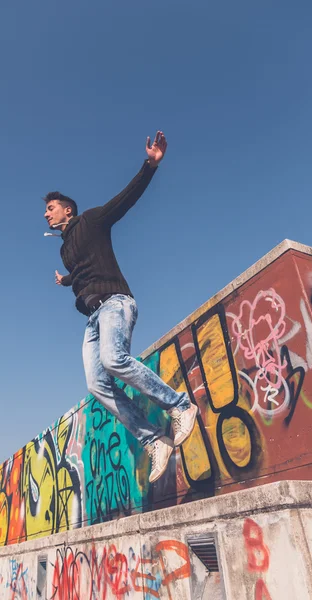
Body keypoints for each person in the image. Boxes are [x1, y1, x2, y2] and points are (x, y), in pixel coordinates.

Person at [43, 131, 198, 483]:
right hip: (93, 318)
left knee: (114, 361)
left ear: (68, 209)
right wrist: (65, 281)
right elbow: (79, 271)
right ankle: (154, 439)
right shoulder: (64, 250)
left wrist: (150, 165)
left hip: (116, 303)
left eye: (50, 209)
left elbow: (126, 199)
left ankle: (180, 405)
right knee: (96, 384)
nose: (46, 215)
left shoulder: (93, 220)